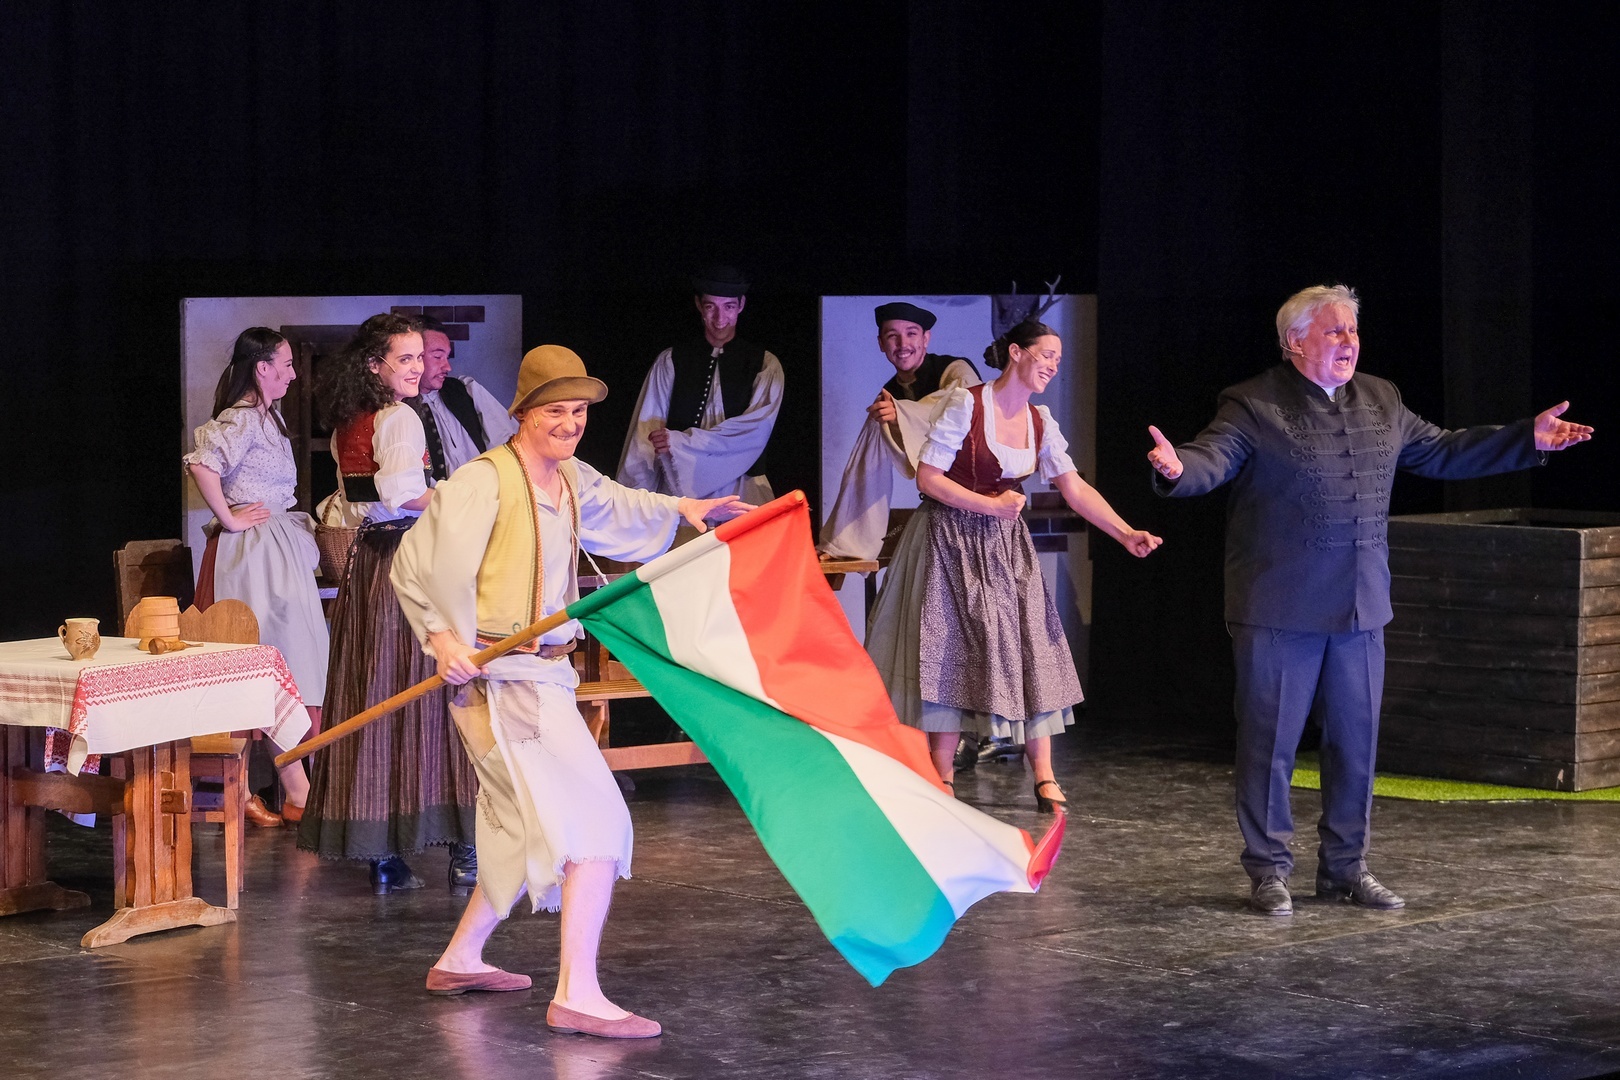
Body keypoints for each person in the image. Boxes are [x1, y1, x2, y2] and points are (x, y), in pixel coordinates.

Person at [1146, 284, 1593, 917]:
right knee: (1270, 745)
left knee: (1356, 746)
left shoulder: (1381, 397)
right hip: (1280, 607)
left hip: (1360, 608)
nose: (1348, 342)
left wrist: (1528, 440)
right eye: (1333, 331)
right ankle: (1269, 869)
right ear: (1295, 341)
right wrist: (1177, 468)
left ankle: (1345, 869)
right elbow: (1211, 457)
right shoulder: (1253, 403)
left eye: (1352, 331)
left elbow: (1441, 450)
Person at [391, 344, 749, 1037]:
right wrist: (443, 640)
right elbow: (413, 562)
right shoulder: (484, 482)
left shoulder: (571, 478)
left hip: (546, 673)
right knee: (597, 827)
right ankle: (577, 994)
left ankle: (461, 959)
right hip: (506, 678)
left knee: (515, 827)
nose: (570, 423)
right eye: (555, 410)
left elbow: (623, 504)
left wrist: (686, 506)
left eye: (579, 411)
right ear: (524, 413)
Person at [866, 319, 1162, 811]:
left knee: (1030, 646)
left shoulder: (1039, 420)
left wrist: (1125, 532)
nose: (1052, 366)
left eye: (1058, 360)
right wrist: (990, 506)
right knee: (950, 650)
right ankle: (941, 776)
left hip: (1005, 546)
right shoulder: (967, 404)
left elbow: (1074, 487)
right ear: (1017, 353)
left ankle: (1044, 775)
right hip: (950, 538)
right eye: (1046, 355)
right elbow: (929, 478)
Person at [299, 313, 479, 895]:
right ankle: (464, 845)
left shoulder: (351, 420)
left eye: (420, 357)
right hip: (410, 560)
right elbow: (403, 494)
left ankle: (382, 851)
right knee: (440, 690)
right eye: (405, 358)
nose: (418, 368)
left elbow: (357, 499)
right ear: (374, 365)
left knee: (375, 688)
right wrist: (462, 495)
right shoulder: (400, 417)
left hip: (370, 563)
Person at [184, 327, 326, 827]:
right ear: (261, 367)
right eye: (285, 364)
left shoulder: (269, 416)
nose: (292, 374)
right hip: (252, 557)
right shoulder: (241, 417)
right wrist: (228, 517)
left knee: (290, 660)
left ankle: (294, 786)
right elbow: (202, 463)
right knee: (261, 660)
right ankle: (261, 789)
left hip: (275, 548)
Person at [818, 301, 982, 560]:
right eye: (892, 336)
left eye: (911, 333)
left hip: (979, 502)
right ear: (881, 344)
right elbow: (865, 468)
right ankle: (846, 541)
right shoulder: (889, 395)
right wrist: (839, 545)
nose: (903, 344)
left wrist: (903, 413)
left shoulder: (956, 371)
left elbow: (964, 409)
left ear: (926, 338)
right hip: (938, 505)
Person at [616, 265, 782, 504]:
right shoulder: (671, 360)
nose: (720, 319)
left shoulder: (764, 365)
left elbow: (753, 433)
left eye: (729, 307)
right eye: (710, 307)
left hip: (742, 488)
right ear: (698, 305)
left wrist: (681, 443)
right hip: (679, 489)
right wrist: (634, 501)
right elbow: (645, 435)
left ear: (741, 305)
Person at [410, 314, 519, 477]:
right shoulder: (400, 408)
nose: (447, 367)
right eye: (438, 357)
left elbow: (508, 442)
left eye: (447, 357)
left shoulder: (465, 389)